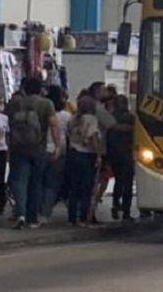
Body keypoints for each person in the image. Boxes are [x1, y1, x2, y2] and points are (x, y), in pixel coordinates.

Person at [7, 78, 59, 230]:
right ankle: (32, 217)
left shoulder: (16, 103)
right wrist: (57, 146)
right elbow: (53, 125)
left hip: (18, 147)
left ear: (24, 89)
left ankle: (20, 214)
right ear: (40, 89)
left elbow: (9, 124)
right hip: (38, 148)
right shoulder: (46, 104)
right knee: (35, 183)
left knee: (19, 181)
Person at [66, 96, 102, 227]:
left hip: (73, 153)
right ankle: (83, 217)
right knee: (86, 188)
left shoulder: (73, 119)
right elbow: (93, 137)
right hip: (86, 155)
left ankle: (71, 218)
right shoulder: (91, 119)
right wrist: (98, 155)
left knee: (74, 188)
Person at [87, 81, 119, 224]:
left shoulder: (87, 108)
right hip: (99, 148)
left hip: (87, 149)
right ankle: (91, 212)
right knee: (100, 181)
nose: (107, 93)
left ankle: (88, 211)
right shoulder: (99, 109)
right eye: (104, 90)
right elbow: (112, 123)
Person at [40, 85, 71, 224]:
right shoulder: (66, 116)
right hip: (59, 152)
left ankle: (34, 211)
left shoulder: (42, 113)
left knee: (38, 182)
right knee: (52, 185)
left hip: (41, 150)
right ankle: (45, 214)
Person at [108, 95, 136, 221]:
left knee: (118, 181)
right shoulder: (131, 118)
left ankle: (115, 204)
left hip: (114, 154)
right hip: (127, 154)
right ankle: (126, 211)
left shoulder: (110, 117)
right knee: (128, 183)